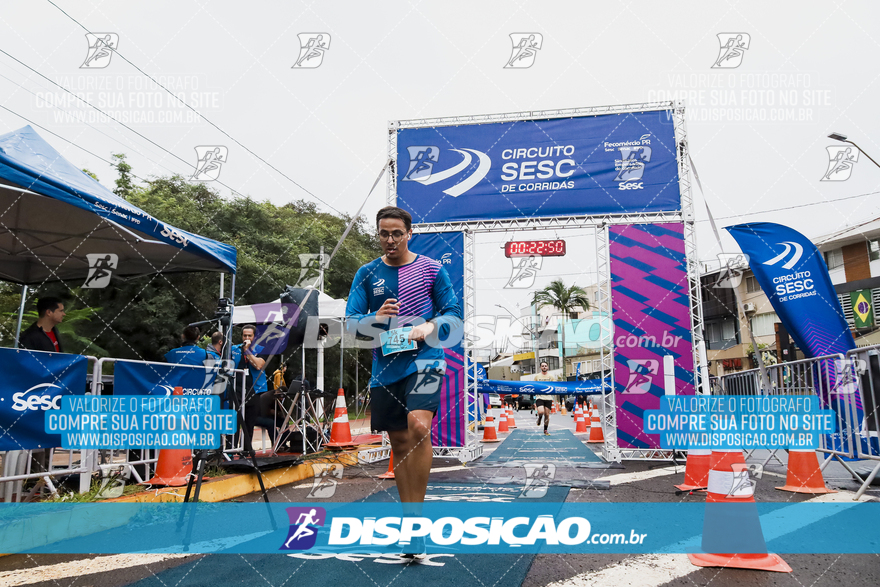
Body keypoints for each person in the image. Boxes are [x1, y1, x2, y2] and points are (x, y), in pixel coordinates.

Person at [346, 206, 463, 560]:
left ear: (409, 233)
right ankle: (410, 525)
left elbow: (454, 315)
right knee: (398, 441)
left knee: (418, 427)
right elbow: (350, 325)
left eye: (397, 233)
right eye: (384, 233)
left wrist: (429, 327)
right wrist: (375, 318)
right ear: (378, 235)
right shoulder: (366, 274)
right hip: (386, 368)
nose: (390, 240)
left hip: (427, 359)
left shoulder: (430, 268)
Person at [236, 325, 269, 448]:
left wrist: (247, 350)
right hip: (237, 389)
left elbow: (258, 365)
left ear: (255, 337)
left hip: (254, 390)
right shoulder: (235, 349)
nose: (247, 337)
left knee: (249, 422)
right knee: (235, 421)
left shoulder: (262, 349)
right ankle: (231, 449)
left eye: (250, 335)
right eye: (245, 335)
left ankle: (246, 449)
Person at [534, 361, 554, 436]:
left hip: (548, 398)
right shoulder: (537, 376)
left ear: (547, 367)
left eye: (545, 366)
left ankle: (545, 430)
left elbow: (555, 386)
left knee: (547, 415)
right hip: (540, 397)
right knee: (541, 411)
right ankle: (539, 419)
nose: (544, 367)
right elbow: (533, 386)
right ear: (540, 367)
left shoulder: (551, 377)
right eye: (542, 366)